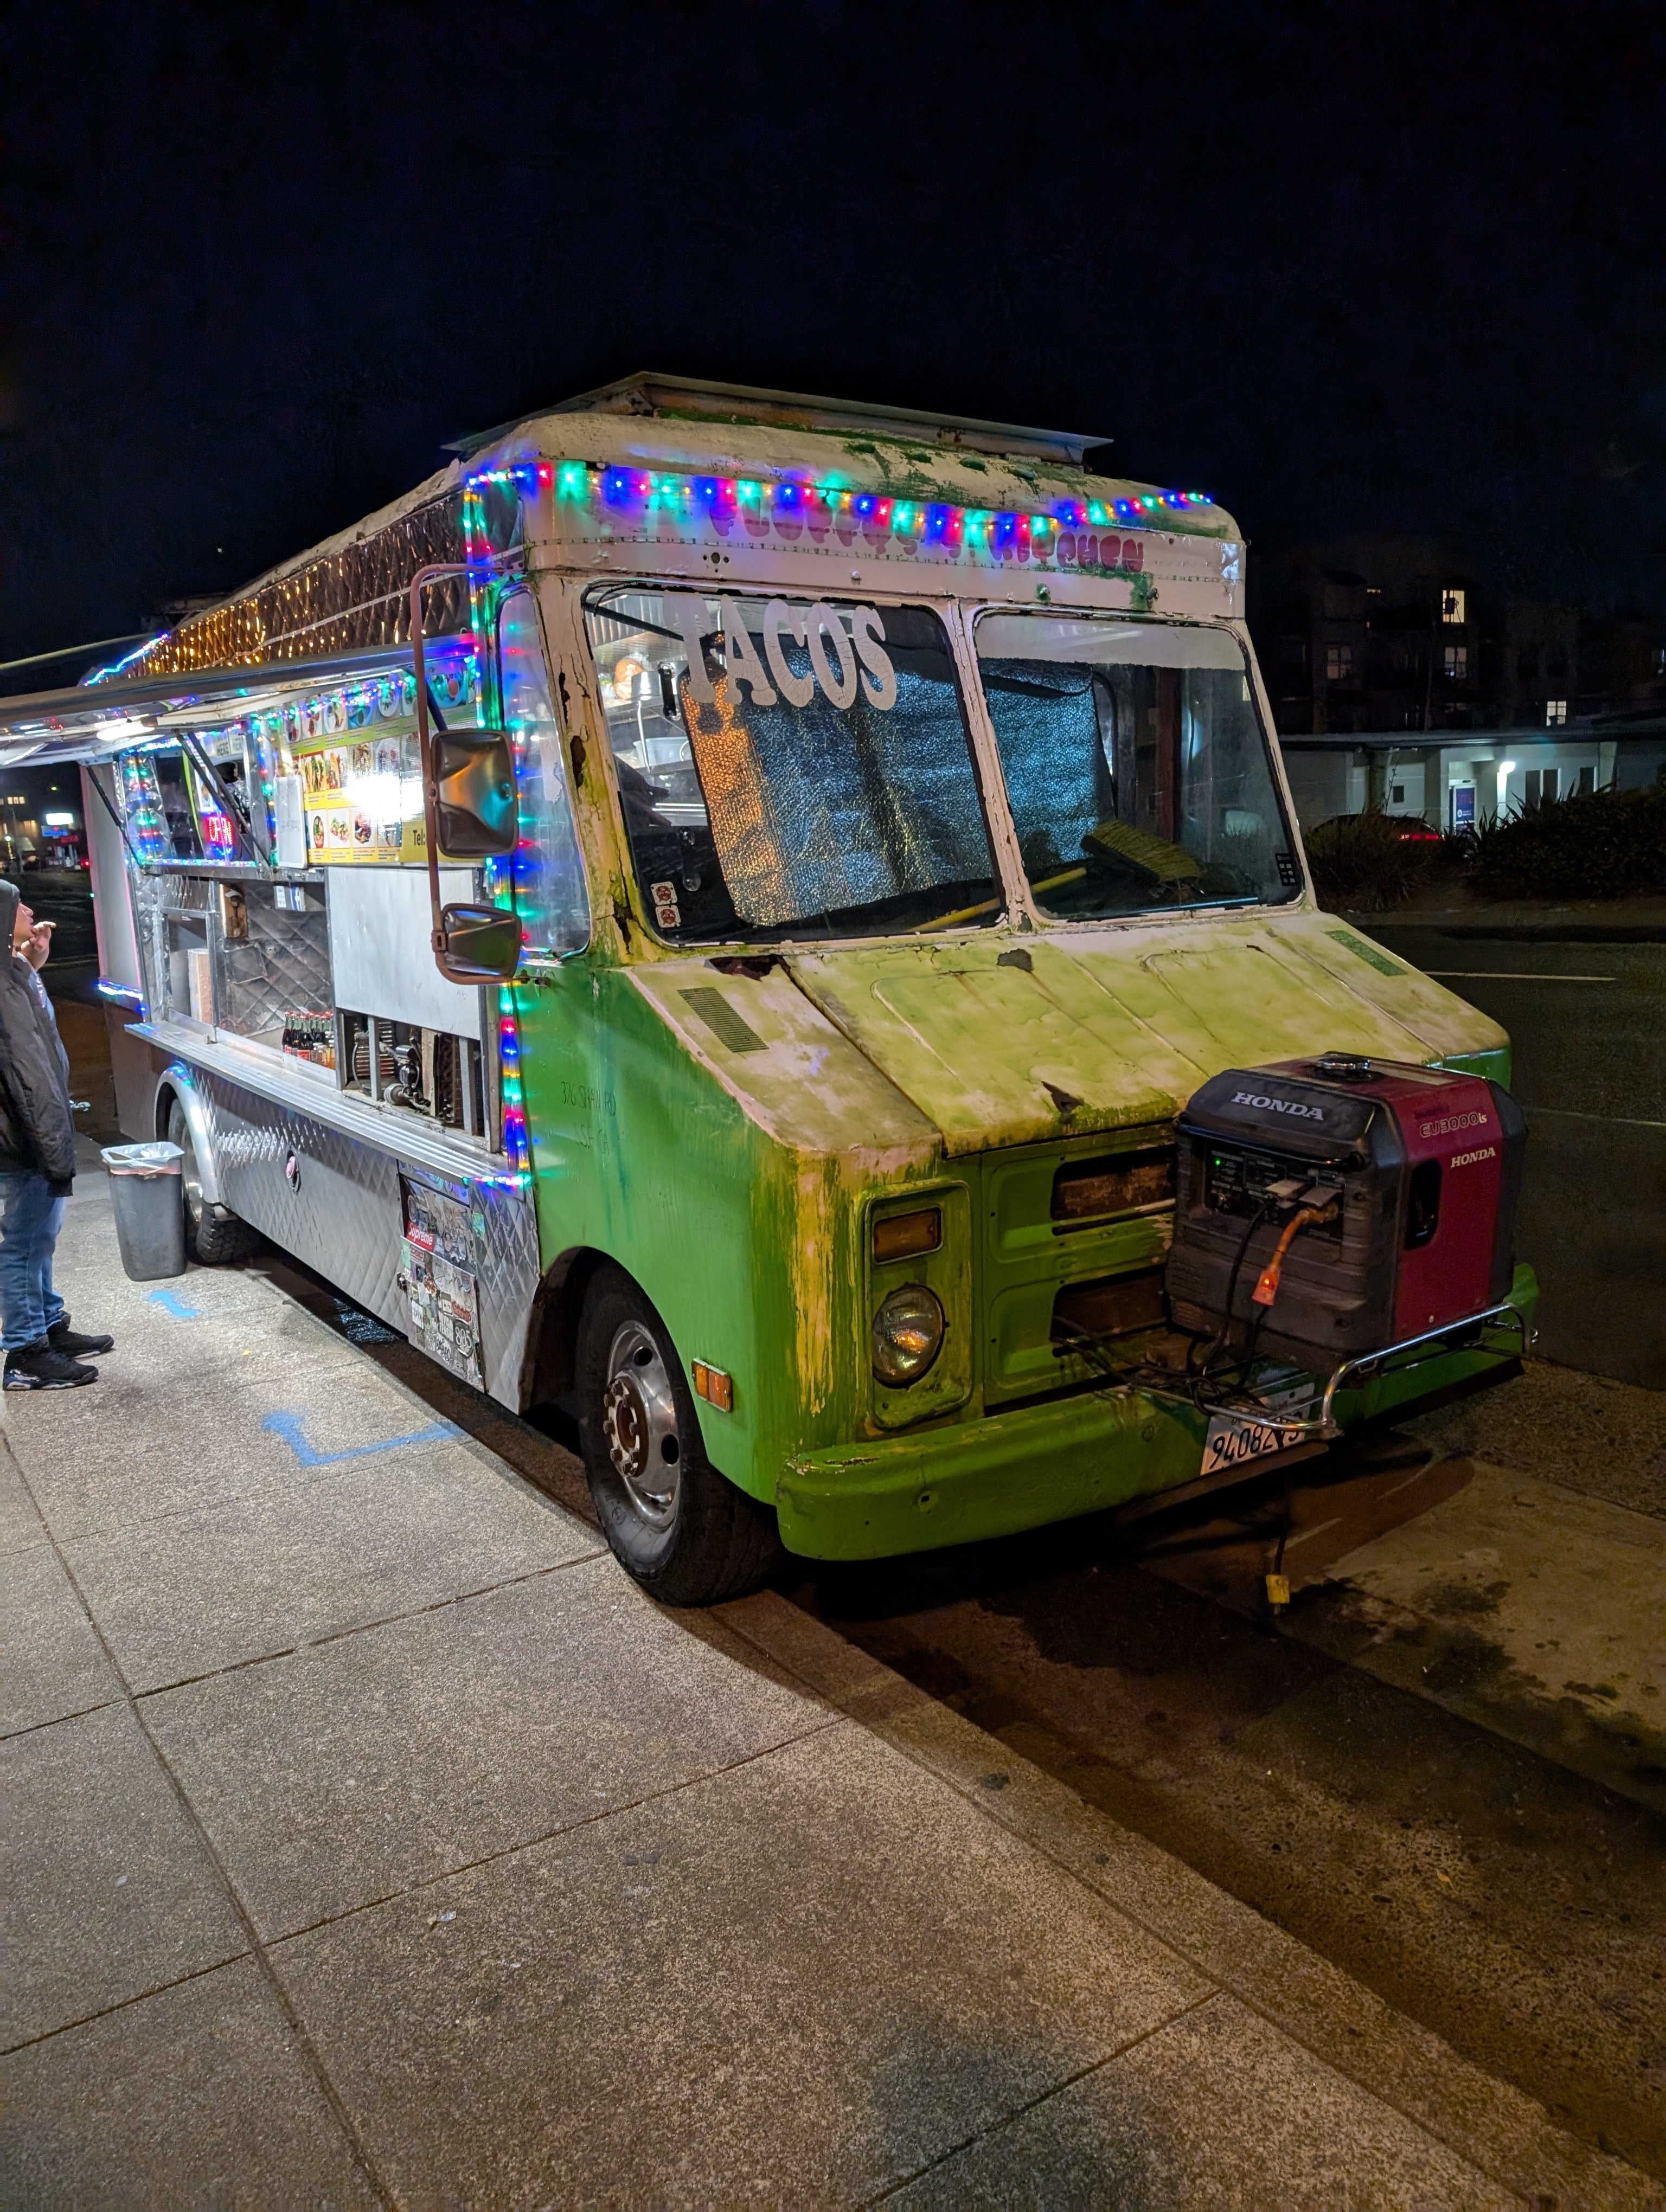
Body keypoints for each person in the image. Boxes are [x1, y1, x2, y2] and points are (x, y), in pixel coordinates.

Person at [0, 880, 113, 1388]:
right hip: (24, 1134)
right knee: (25, 1242)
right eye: (15, 904)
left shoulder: (12, 972)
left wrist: (32, 963)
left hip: (36, 1129)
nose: (27, 909)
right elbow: (27, 1072)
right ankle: (25, 1352)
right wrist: (51, 1141)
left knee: (40, 1237)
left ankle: (48, 1326)